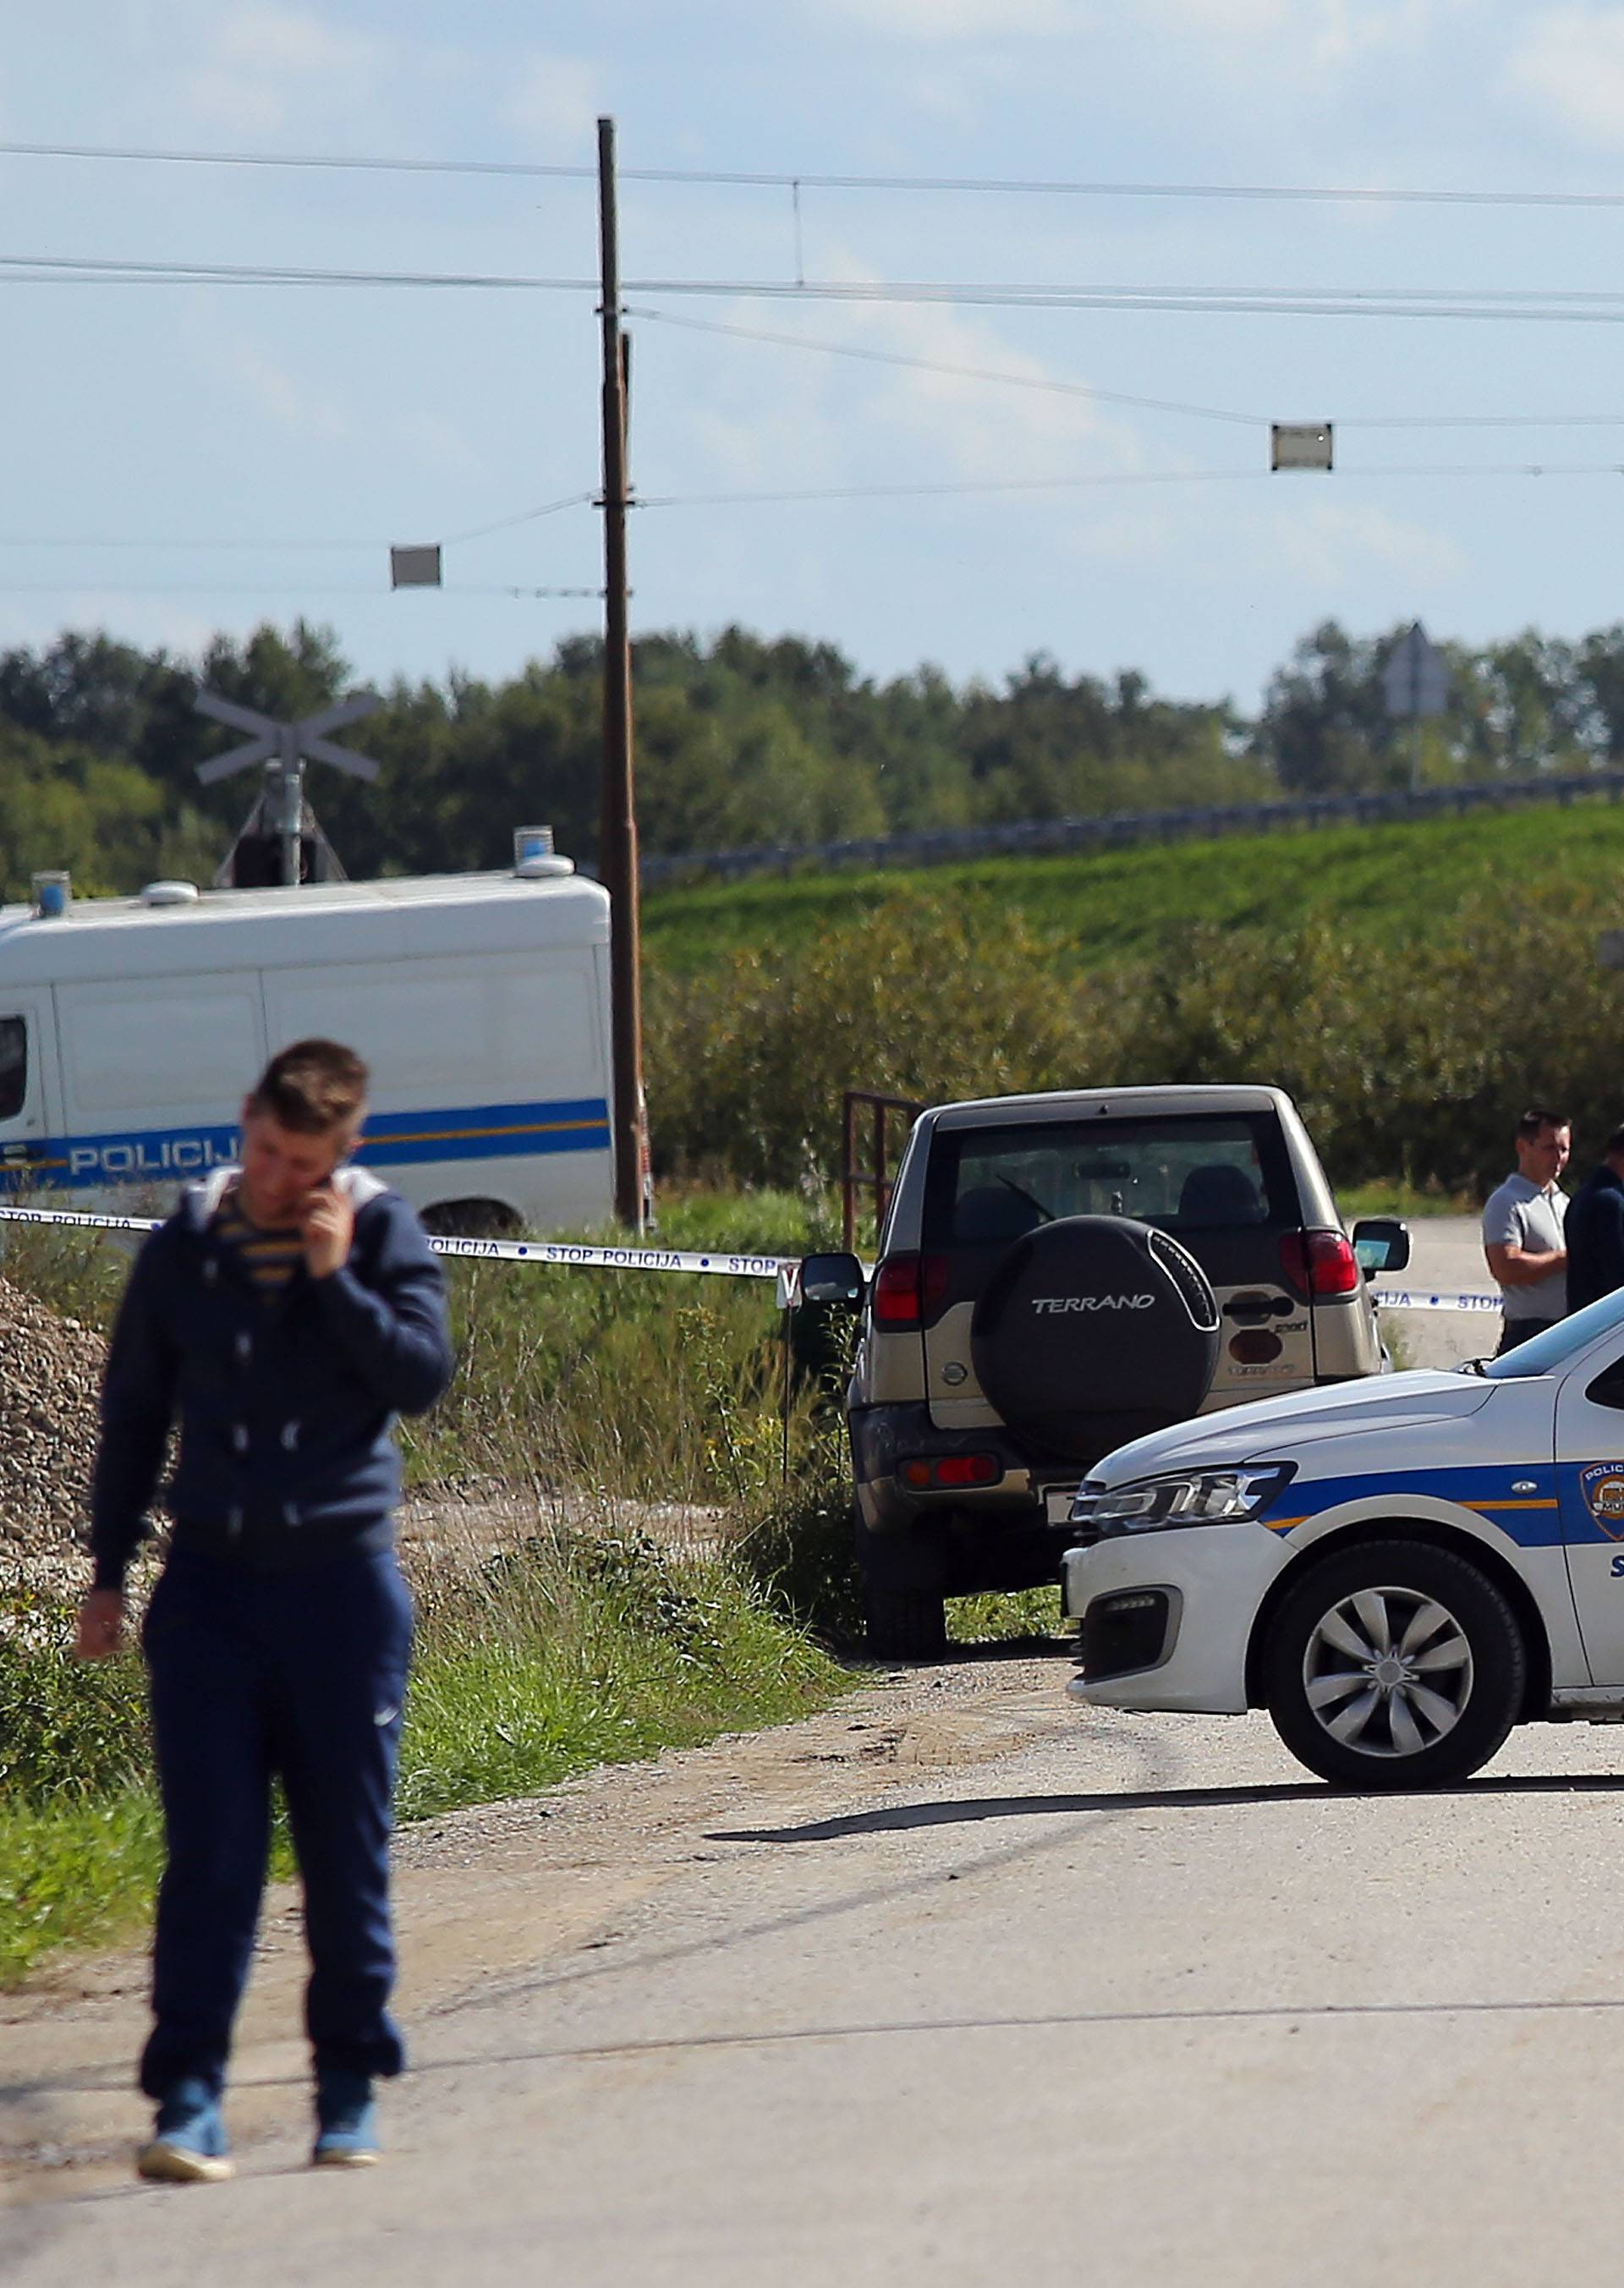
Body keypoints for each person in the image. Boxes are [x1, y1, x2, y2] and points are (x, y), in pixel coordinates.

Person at [75, 1039, 453, 2185]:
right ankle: (187, 2100)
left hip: (342, 1588)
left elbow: (422, 1377)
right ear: (244, 1121)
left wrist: (335, 1284)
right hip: (211, 1594)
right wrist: (108, 1572)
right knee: (213, 1857)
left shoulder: (383, 1237)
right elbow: (133, 1417)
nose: (279, 1175)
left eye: (304, 1160)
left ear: (346, 1154)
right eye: (266, 1150)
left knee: (346, 1859)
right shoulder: (186, 1247)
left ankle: (347, 2090)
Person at [1481, 1106, 1572, 1354]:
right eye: (1549, 1148)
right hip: (1529, 1333)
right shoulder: (1506, 1201)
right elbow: (1506, 1268)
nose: (1558, 1158)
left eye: (1563, 1149)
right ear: (1523, 1147)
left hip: (1569, 1329)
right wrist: (1564, 1260)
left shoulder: (1564, 1202)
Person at [1566, 1124, 1624, 1315]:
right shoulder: (1609, 1202)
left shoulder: (1584, 1194)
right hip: (1607, 1324)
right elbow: (1616, 1276)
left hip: (1585, 1321)